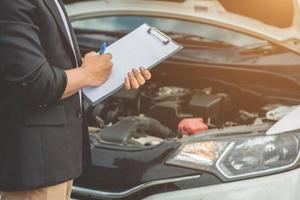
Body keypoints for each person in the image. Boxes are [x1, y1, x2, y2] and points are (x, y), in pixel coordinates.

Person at [0, 0, 151, 199]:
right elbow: (35, 82)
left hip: (57, 162)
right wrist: (88, 73)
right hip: (35, 166)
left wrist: (109, 73)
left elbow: (52, 67)